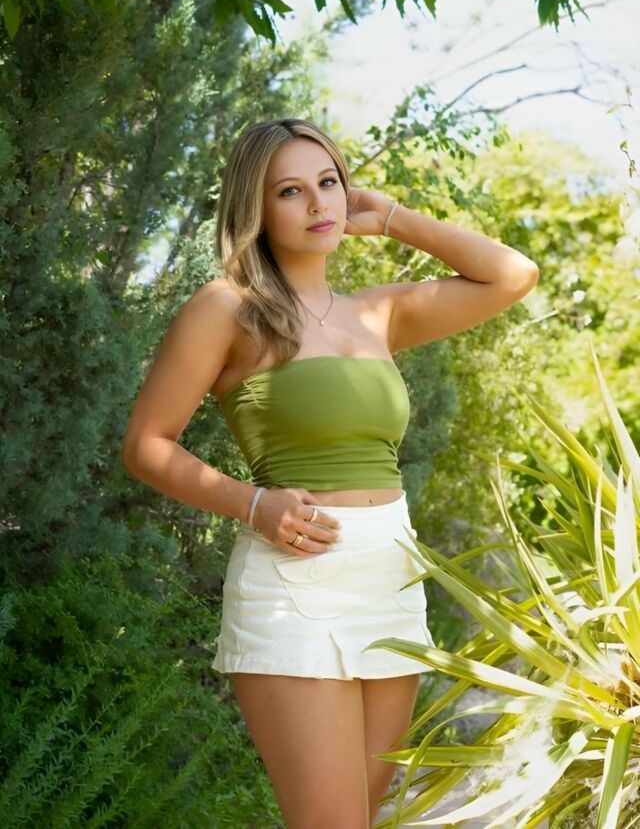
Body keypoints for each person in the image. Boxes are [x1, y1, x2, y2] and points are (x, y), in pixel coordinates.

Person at [121, 118, 539, 829]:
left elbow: (513, 274)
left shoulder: (377, 312)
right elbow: (146, 443)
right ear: (256, 207)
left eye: (329, 183)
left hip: (390, 578)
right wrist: (252, 503)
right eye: (291, 190)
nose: (318, 203)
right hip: (295, 581)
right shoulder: (227, 307)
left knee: (362, 819)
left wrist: (393, 216)